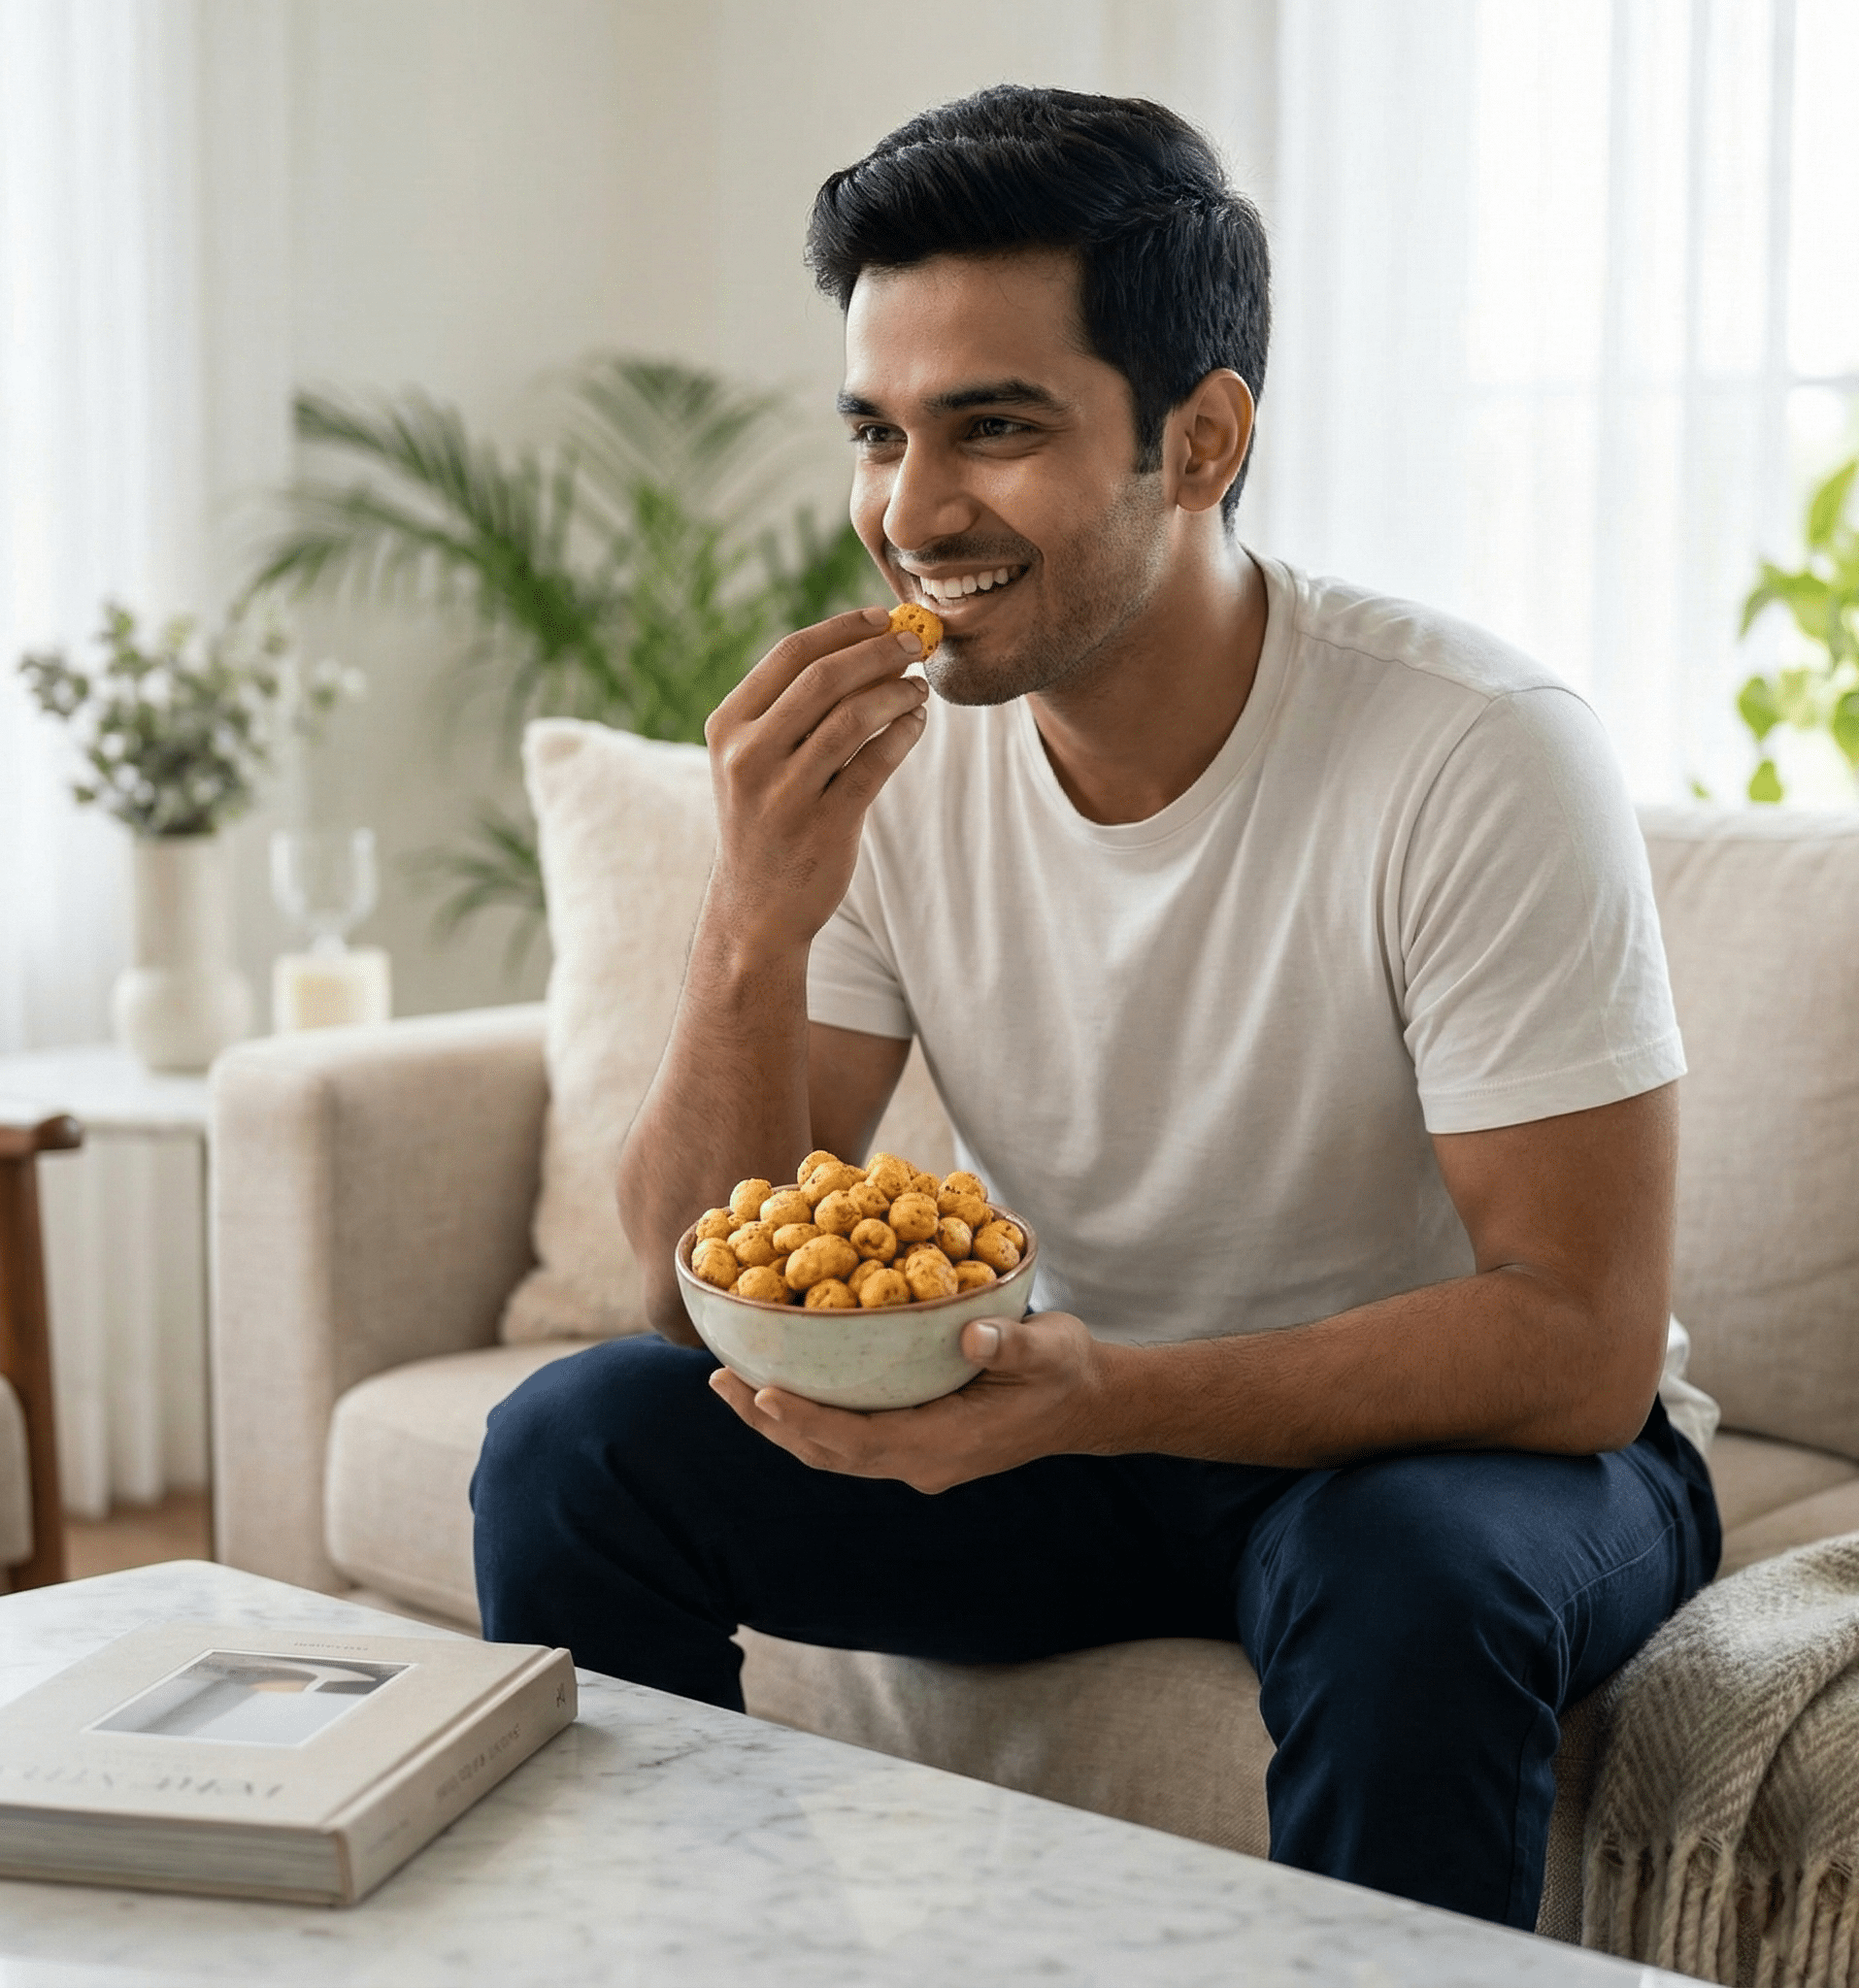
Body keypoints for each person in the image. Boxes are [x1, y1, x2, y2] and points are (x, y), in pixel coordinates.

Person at [472, 84, 1721, 1930]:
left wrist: (1102, 1398)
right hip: (1060, 1427)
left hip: (1449, 1467)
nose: (911, 513)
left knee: (1406, 1573)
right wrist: (748, 920)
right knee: (574, 1447)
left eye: (992, 429)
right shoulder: (905, 769)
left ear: (1201, 438)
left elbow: (1578, 1343)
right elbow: (679, 1294)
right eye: (879, 434)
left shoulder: (1473, 753)